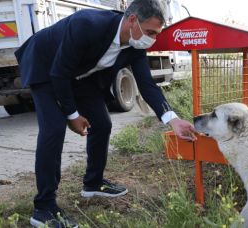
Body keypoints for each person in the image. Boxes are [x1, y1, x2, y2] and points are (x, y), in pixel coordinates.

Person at [14, 0, 198, 227]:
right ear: (132, 21)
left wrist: (174, 119)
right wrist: (72, 116)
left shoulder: (135, 44)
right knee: (53, 128)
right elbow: (60, 73)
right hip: (46, 65)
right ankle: (44, 207)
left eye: (156, 33)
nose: (153, 39)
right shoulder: (87, 24)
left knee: (102, 123)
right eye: (150, 31)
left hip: (79, 75)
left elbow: (147, 85)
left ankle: (93, 183)